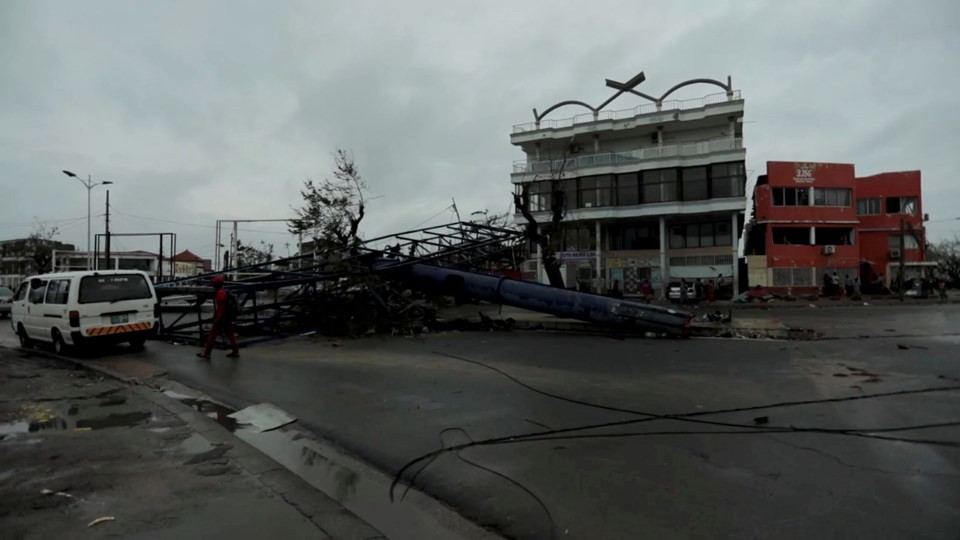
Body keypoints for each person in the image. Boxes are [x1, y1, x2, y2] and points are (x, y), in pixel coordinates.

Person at [197, 275, 239, 360]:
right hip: (227, 317)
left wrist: (217, 319)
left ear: (216, 285)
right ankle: (235, 351)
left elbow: (221, 308)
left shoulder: (220, 293)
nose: (212, 285)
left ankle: (207, 354)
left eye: (213, 283)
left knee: (212, 335)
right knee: (230, 334)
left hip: (221, 318)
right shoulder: (223, 291)